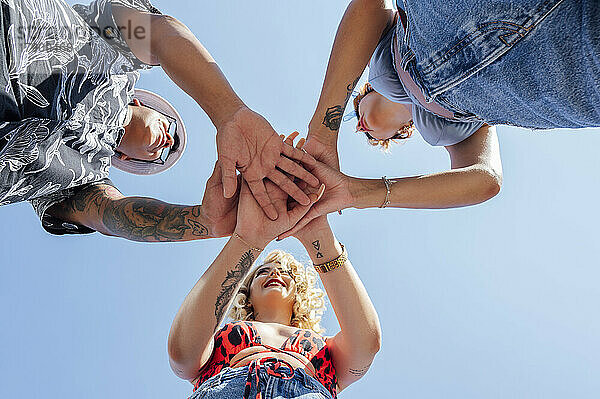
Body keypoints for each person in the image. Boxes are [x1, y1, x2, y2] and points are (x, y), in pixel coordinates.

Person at [0, 0, 318, 240]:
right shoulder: (119, 57)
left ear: (127, 159)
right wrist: (230, 113)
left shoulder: (83, 182)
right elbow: (159, 33)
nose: (168, 139)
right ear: (140, 101)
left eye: (165, 153)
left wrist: (203, 222)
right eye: (169, 124)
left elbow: (109, 215)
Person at [281, 0, 599, 237]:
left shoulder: (377, 56)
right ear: (402, 133)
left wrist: (323, 132)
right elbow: (486, 178)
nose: (361, 124)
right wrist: (357, 192)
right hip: (564, 80)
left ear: (363, 91)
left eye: (356, 112)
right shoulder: (448, 132)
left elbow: (374, 4)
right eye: (371, 137)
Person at [168, 140, 381, 399]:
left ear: (299, 292)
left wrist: (317, 232)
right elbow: (183, 354)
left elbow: (366, 344)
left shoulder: (328, 351)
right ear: (245, 291)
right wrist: (248, 239)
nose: (275, 274)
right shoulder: (217, 338)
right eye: (262, 271)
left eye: (287, 273)